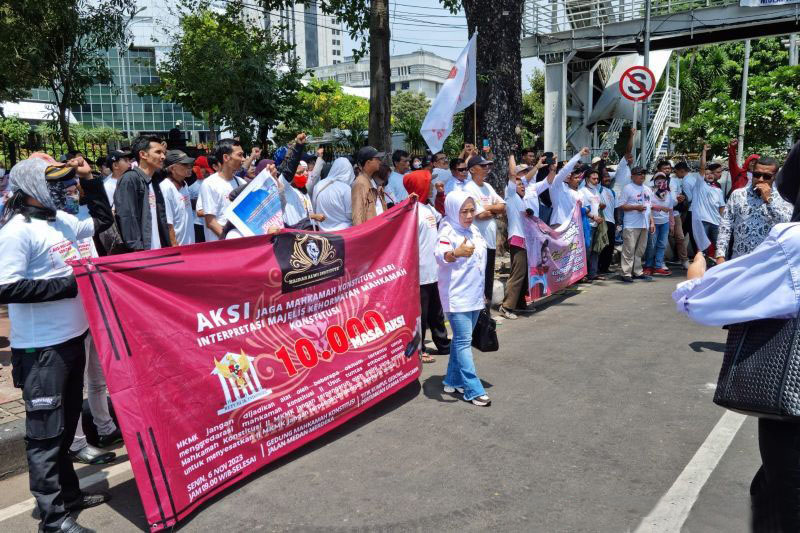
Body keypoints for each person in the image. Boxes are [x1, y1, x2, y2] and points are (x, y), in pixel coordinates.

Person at [672, 140, 800, 528]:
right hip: (750, 263)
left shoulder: (792, 241)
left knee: (781, 501)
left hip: (792, 416)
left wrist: (694, 282)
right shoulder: (742, 201)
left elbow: (706, 300)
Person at [0, 156, 115, 533]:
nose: (69, 190)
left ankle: (68, 497)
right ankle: (53, 520)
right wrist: (69, 286)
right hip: (41, 351)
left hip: (71, 340)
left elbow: (99, 222)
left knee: (64, 430)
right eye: (60, 183)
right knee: (45, 436)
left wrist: (92, 180)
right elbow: (5, 287)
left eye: (70, 182)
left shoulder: (59, 221)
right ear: (33, 189)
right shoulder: (17, 231)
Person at [435, 190, 492, 407]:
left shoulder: (474, 229)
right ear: (451, 210)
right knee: (463, 341)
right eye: (463, 212)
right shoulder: (447, 231)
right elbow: (441, 256)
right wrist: (455, 253)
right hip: (457, 296)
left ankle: (452, 379)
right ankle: (472, 389)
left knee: (461, 341)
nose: (469, 215)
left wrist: (483, 293)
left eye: (471, 210)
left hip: (475, 295)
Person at [403, 169, 450, 363]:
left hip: (434, 269)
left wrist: (440, 195)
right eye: (428, 183)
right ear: (420, 186)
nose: (431, 186)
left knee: (436, 312)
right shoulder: (411, 211)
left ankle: (443, 344)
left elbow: (443, 216)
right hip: (420, 272)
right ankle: (419, 349)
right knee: (420, 314)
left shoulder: (428, 208)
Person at [716, 156, 792, 263]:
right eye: (757, 175)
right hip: (739, 260)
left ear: (774, 177)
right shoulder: (738, 195)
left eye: (766, 176)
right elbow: (725, 225)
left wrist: (769, 201)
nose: (760, 179)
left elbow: (787, 225)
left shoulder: (783, 198)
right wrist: (720, 255)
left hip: (767, 263)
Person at [499, 154, 548, 319]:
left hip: (526, 241)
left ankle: (519, 303)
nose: (522, 186)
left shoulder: (522, 200)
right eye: (518, 184)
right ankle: (506, 307)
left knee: (525, 273)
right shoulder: (511, 196)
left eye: (523, 184)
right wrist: (511, 156)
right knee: (518, 273)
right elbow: (513, 175)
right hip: (517, 240)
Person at [114, 135, 169, 252]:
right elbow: (127, 217)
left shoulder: (154, 179)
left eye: (164, 153)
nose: (163, 156)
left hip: (159, 249)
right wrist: (138, 250)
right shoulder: (130, 179)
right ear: (143, 154)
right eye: (158, 152)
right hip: (143, 252)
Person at [464, 155, 506, 306]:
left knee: (488, 278)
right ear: (472, 170)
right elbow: (480, 215)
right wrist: (492, 210)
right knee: (479, 279)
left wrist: (488, 208)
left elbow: (502, 207)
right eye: (483, 166)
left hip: (490, 242)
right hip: (478, 243)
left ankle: (486, 313)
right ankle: (479, 313)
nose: (487, 168)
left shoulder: (487, 187)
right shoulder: (468, 188)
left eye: (488, 165)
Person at [197, 139, 246, 242]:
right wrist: (230, 240)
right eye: (240, 155)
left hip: (240, 243)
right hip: (221, 245)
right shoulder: (209, 184)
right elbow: (210, 222)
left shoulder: (241, 183)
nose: (243, 159)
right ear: (226, 157)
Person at [276, 133, 325, 229]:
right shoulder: (284, 187)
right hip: (294, 238)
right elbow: (289, 171)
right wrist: (298, 146)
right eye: (299, 173)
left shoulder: (303, 190)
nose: (305, 175)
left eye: (305, 171)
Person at [617, 166, 655, 283]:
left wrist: (652, 222)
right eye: (639, 174)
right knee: (629, 249)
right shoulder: (628, 188)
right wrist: (636, 207)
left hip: (644, 224)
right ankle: (626, 273)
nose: (642, 176)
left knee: (640, 250)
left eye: (643, 173)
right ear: (632, 176)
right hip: (631, 224)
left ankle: (637, 271)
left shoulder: (647, 189)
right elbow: (621, 206)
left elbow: (649, 208)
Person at [688, 144, 726, 256]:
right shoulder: (700, 185)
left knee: (719, 248)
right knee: (702, 249)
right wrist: (704, 151)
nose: (709, 175)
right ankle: (700, 270)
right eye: (706, 174)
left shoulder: (718, 190)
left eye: (711, 174)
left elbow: (721, 207)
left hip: (716, 222)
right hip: (703, 221)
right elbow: (703, 166)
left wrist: (722, 221)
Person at [541, 147, 590, 227]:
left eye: (570, 171)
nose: (570, 173)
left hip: (571, 226)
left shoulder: (569, 188)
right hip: (559, 224)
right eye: (567, 171)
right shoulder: (555, 182)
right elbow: (565, 171)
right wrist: (579, 154)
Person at [160, 150, 196, 246]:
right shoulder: (166, 188)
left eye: (190, 164)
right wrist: (174, 246)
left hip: (190, 243)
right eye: (185, 164)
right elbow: (168, 223)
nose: (189, 167)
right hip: (177, 246)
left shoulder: (184, 184)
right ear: (172, 168)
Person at [643, 172, 675, 276]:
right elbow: (648, 206)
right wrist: (660, 208)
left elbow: (670, 209)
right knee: (651, 245)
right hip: (654, 222)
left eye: (663, 179)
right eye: (658, 179)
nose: (660, 181)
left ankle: (658, 266)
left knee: (662, 245)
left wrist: (672, 224)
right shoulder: (650, 191)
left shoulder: (668, 193)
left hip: (665, 222)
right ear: (654, 180)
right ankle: (648, 266)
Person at [313, 157, 355, 231]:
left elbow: (314, 208)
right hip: (343, 232)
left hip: (322, 233)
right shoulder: (345, 189)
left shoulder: (318, 185)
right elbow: (350, 214)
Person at [580, 168, 607, 281]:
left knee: (595, 250)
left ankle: (593, 273)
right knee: (587, 250)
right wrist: (593, 217)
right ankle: (582, 274)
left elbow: (597, 205)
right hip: (587, 225)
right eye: (593, 178)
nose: (596, 181)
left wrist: (601, 206)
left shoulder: (596, 191)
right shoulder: (582, 191)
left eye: (597, 178)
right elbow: (582, 209)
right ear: (587, 179)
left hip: (597, 224)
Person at [351, 146, 387, 225]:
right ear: (368, 162)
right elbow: (357, 213)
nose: (380, 161)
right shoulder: (360, 183)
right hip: (371, 230)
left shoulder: (371, 179)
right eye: (377, 158)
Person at [668, 161, 691, 269]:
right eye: (664, 168)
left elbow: (680, 196)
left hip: (675, 212)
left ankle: (684, 260)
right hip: (660, 212)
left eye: (668, 168)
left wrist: (680, 199)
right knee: (661, 238)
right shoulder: (655, 180)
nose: (667, 170)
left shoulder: (676, 181)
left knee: (680, 236)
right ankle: (656, 262)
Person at [597, 165, 618, 274]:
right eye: (605, 177)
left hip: (612, 223)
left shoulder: (612, 192)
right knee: (602, 246)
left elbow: (616, 209)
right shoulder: (598, 188)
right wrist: (602, 164)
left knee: (610, 247)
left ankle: (605, 268)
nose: (607, 179)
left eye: (608, 177)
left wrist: (617, 223)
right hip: (602, 222)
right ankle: (599, 268)